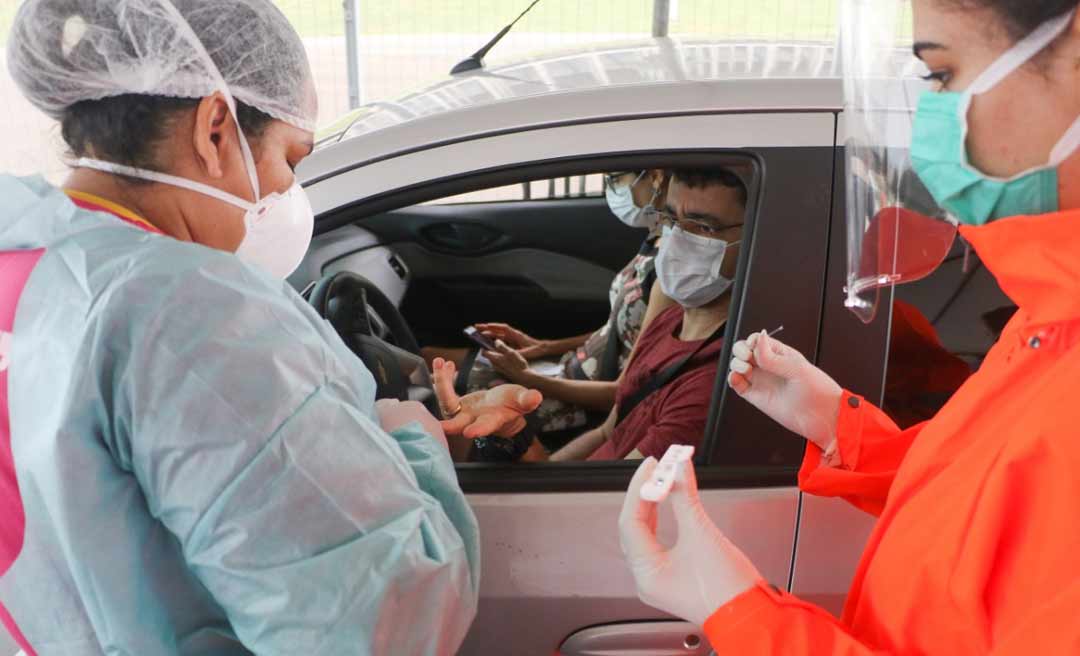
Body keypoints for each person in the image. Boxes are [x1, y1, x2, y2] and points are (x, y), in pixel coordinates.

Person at [0, 1, 489, 653]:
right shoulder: (194, 315)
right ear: (214, 130)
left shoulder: (25, 254)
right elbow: (379, 622)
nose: (288, 191)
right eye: (291, 159)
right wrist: (411, 438)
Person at [619, 0, 1080, 653]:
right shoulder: (1052, 317)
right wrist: (844, 428)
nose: (930, 121)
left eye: (942, 76)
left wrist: (740, 612)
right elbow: (1001, 507)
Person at [435, 167, 747, 462]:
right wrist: (514, 436)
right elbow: (607, 432)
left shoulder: (707, 388)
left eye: (704, 227)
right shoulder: (670, 322)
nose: (678, 238)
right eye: (671, 219)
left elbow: (608, 502)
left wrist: (524, 401)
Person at [423, 170, 676, 438]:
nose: (610, 187)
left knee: (433, 399)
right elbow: (620, 327)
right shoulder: (656, 240)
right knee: (427, 359)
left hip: (578, 400)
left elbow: (621, 392)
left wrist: (528, 379)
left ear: (657, 177)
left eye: (615, 177)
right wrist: (543, 347)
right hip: (564, 370)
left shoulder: (673, 274)